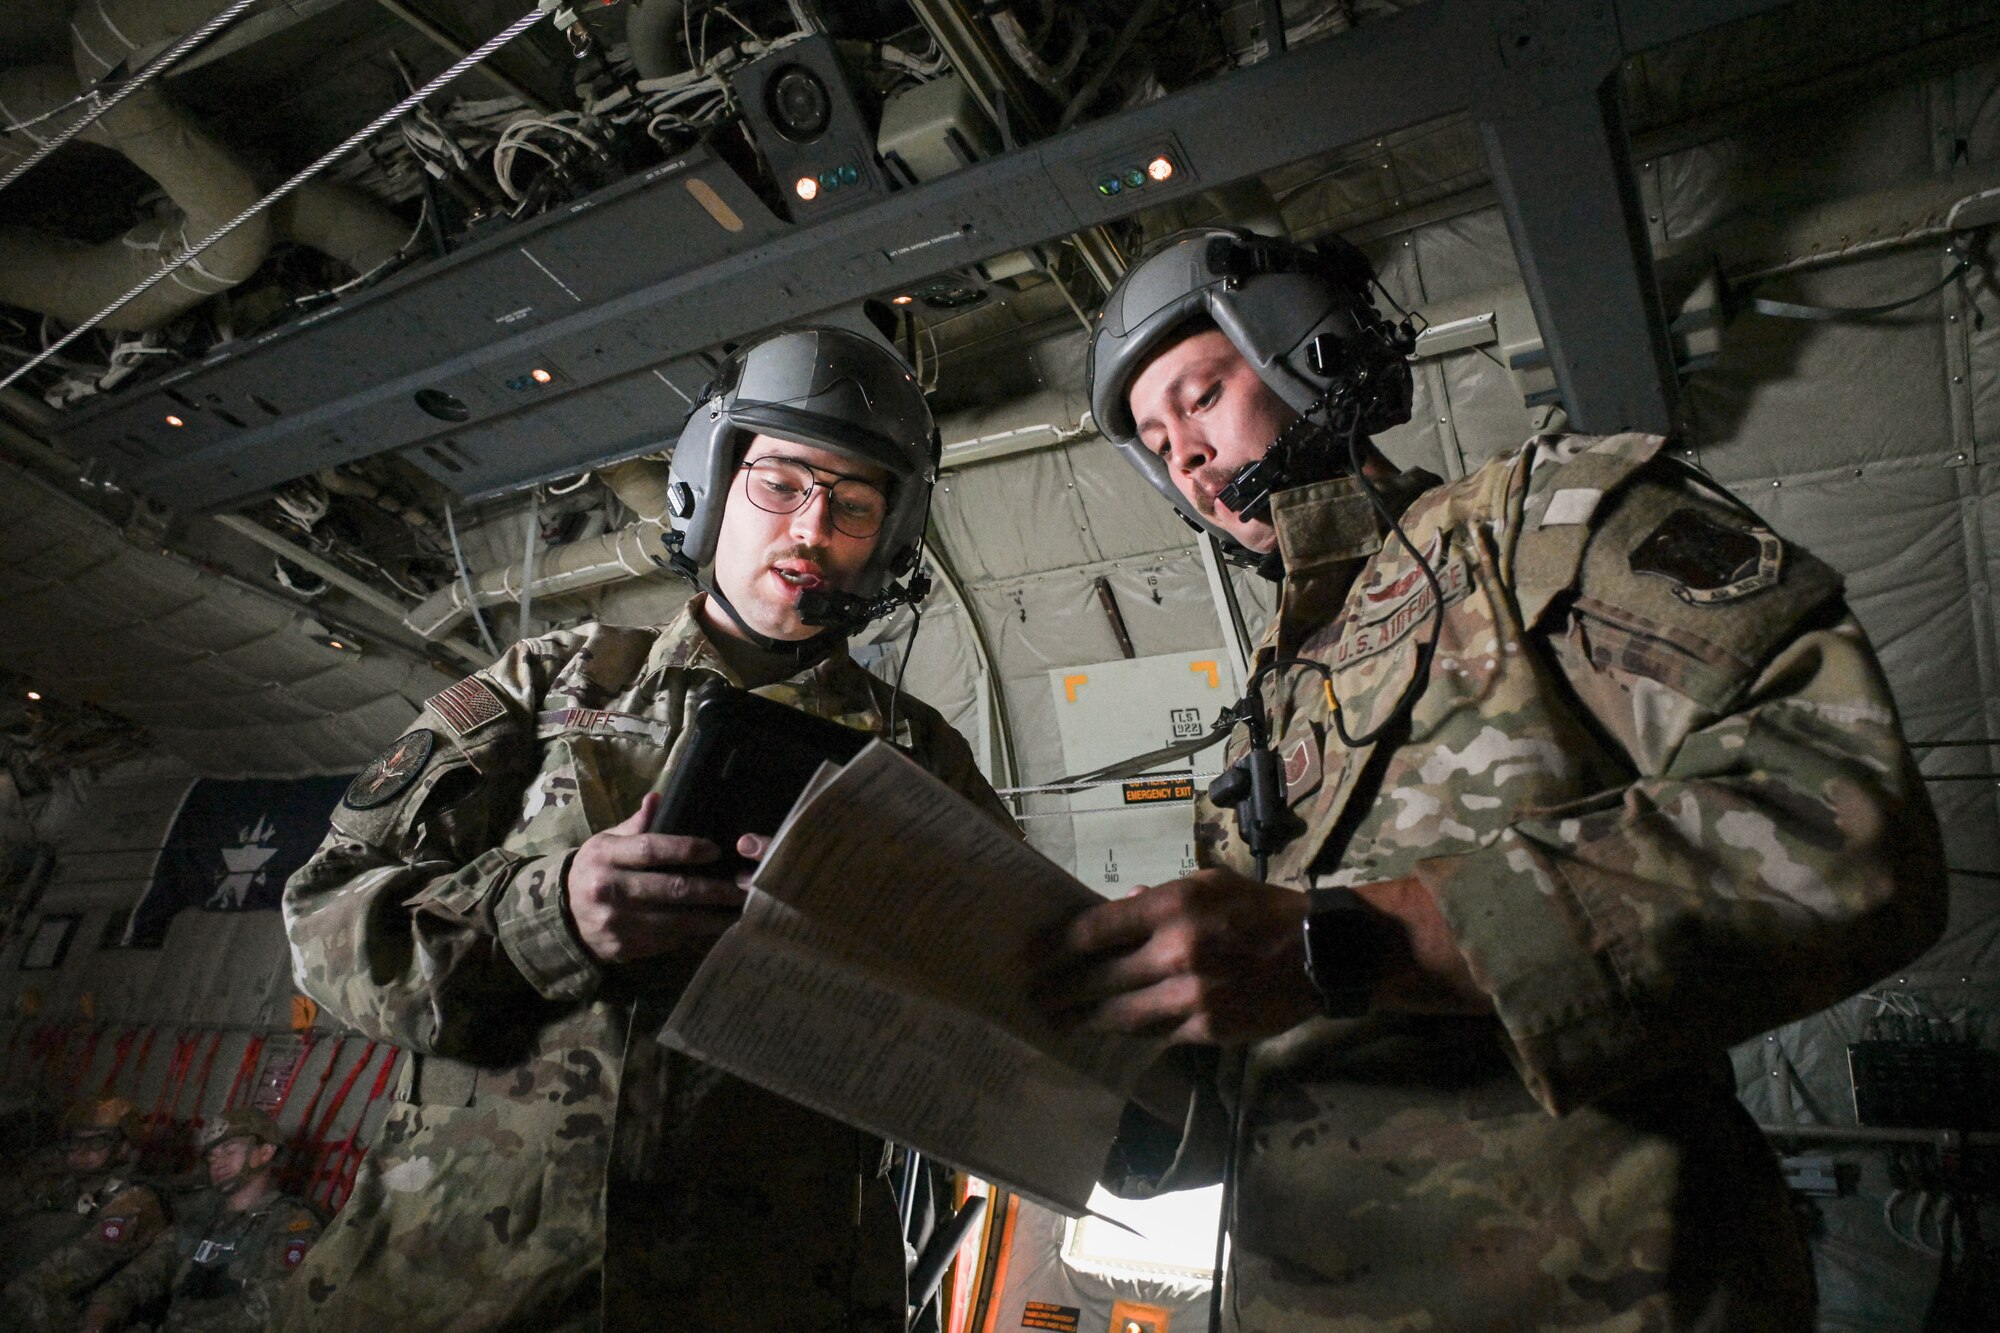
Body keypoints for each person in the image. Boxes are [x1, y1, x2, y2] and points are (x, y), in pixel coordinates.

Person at [1042, 227, 1949, 1330]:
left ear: (1307, 350)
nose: (1181, 455)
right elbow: (1253, 1089)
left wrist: (1352, 943)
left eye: (1198, 395)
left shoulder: (1538, 525)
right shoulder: (1270, 713)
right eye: (1152, 439)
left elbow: (1841, 821)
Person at [277, 326, 1011, 1330]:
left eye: (851, 504)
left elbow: (1008, 1012)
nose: (809, 529)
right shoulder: (543, 687)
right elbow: (322, 920)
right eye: (781, 484)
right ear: (708, 484)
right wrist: (552, 915)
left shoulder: (918, 763)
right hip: (461, 1287)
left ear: (886, 540)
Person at [77, 1108, 320, 1332]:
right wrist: (104, 1308)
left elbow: (271, 1304)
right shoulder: (202, 1217)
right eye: (212, 1157)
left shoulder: (291, 1224)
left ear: (265, 1152)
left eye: (229, 1150)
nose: (218, 1163)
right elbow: (146, 1271)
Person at [1, 1098, 168, 1331]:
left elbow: (83, 1262)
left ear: (124, 1147)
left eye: (98, 1142)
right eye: (74, 1142)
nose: (81, 1151)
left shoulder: (133, 1200)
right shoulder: (60, 1187)